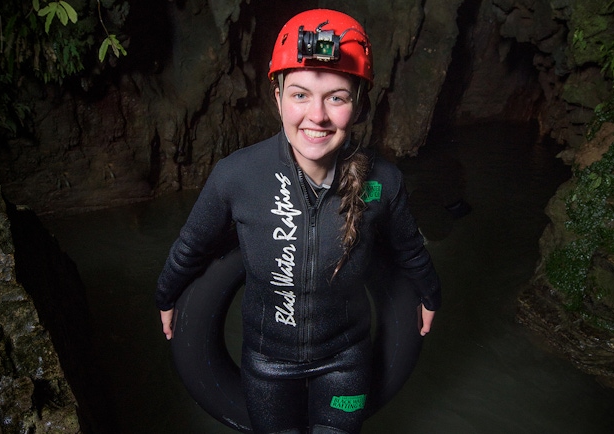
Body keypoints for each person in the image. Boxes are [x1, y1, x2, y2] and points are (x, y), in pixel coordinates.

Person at [156, 9, 441, 434]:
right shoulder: (237, 176)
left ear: (358, 103)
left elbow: (409, 249)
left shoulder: (384, 183)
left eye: (337, 97)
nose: (317, 116)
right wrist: (166, 295)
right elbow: (191, 246)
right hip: (267, 366)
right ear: (277, 96)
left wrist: (431, 295)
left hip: (347, 361)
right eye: (301, 94)